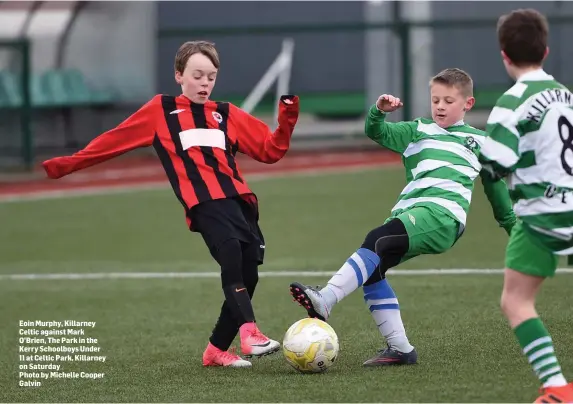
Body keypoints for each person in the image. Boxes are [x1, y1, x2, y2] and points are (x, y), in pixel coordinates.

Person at [42, 40, 300, 368]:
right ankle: (250, 333)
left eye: (211, 76)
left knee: (249, 274)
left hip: (239, 202)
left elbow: (271, 150)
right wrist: (67, 164)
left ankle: (216, 350)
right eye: (197, 75)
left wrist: (287, 118)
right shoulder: (160, 111)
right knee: (231, 252)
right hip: (203, 203)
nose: (205, 83)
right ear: (179, 75)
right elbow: (113, 141)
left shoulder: (226, 114)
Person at [290, 68, 516, 367]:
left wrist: (514, 229)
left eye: (448, 100)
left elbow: (496, 189)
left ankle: (327, 299)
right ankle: (401, 349)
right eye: (435, 99)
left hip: (443, 216)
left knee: (376, 239)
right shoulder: (417, 130)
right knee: (373, 269)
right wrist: (378, 112)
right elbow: (377, 132)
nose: (440, 106)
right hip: (411, 213)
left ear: (468, 104)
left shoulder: (480, 142)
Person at [479, 9, 573, 402]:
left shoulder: (510, 102)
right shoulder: (567, 94)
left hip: (543, 213)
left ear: (504, 54)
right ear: (546, 51)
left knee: (516, 300)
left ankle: (556, 388)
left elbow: (496, 161)